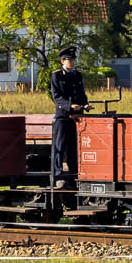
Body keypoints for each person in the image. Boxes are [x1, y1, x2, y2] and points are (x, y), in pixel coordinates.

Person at [48, 49, 90, 186]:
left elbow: (81, 93)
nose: (72, 62)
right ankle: (58, 173)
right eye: (69, 60)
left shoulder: (77, 75)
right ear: (63, 61)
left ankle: (74, 171)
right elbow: (57, 97)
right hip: (63, 116)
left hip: (77, 117)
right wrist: (70, 105)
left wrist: (85, 105)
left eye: (73, 60)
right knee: (59, 146)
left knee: (74, 146)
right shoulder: (57, 76)